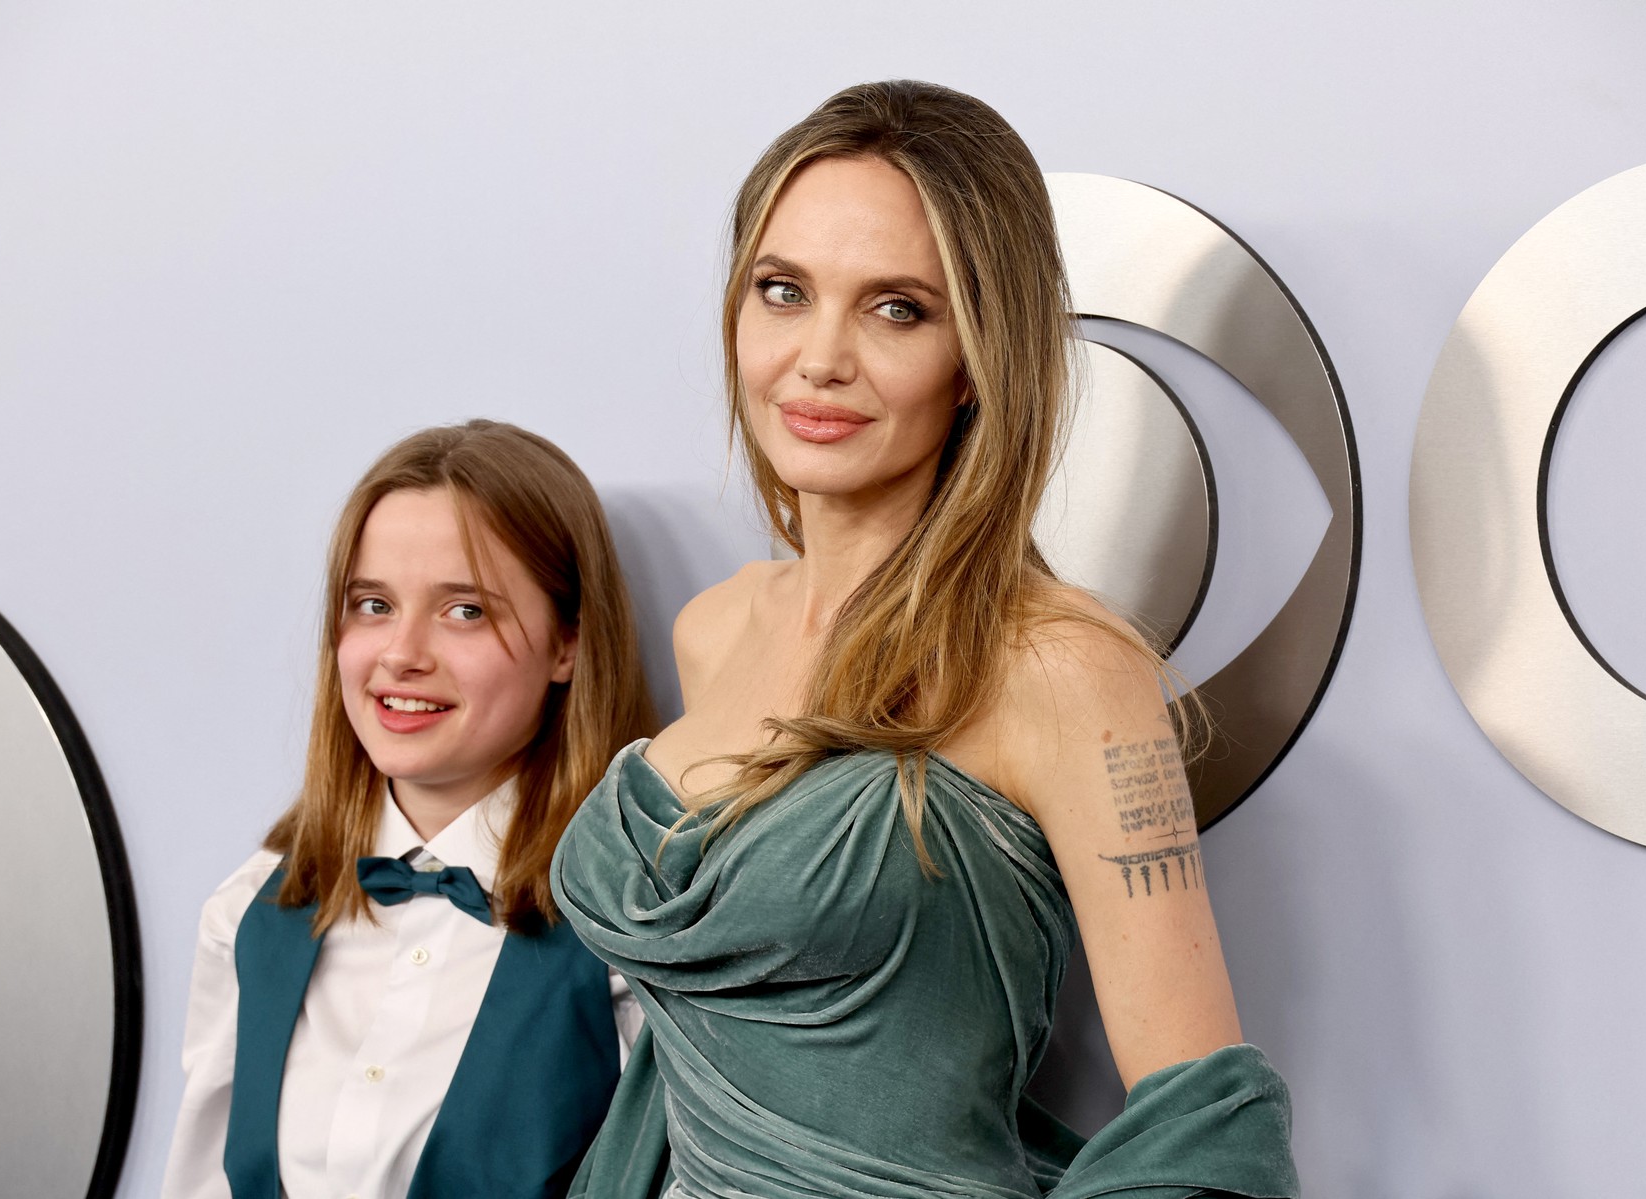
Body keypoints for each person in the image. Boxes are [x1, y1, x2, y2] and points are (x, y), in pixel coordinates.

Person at [552, 81, 1299, 1198]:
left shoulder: (1060, 666)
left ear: (976, 358)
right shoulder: (714, 628)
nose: (818, 358)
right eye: (783, 290)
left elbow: (1208, 1127)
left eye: (896, 307)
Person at [164, 420, 658, 1199]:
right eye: (372, 604)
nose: (402, 653)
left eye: (464, 610)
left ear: (568, 641)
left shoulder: (635, 936)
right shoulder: (249, 912)